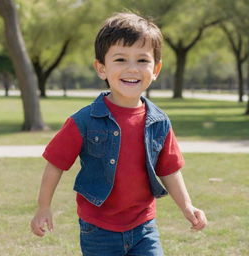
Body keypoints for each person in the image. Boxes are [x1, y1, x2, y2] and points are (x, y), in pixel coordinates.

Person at [31, 12, 207, 256]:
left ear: (156, 69)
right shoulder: (83, 121)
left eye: (142, 60)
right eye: (121, 59)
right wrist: (43, 207)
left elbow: (169, 169)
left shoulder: (159, 122)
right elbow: (55, 164)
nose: (132, 69)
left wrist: (187, 206)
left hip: (144, 227)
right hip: (98, 229)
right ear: (101, 68)